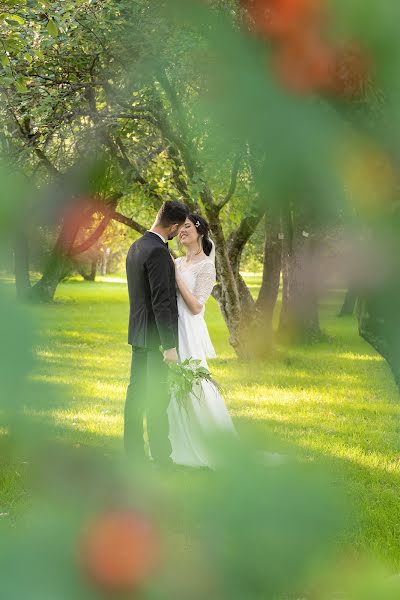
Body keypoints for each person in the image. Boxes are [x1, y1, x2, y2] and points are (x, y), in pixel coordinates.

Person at [168, 213, 237, 468]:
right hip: (171, 327)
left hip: (189, 327)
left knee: (193, 380)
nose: (182, 231)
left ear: (199, 231)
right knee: (171, 380)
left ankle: (206, 441)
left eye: (187, 227)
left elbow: (197, 306)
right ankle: (177, 441)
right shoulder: (178, 261)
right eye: (180, 227)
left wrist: (176, 278)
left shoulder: (206, 266)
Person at [125, 200, 189, 466]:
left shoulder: (136, 247)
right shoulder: (159, 252)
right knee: (156, 398)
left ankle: (134, 455)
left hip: (138, 334)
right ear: (173, 226)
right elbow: (162, 301)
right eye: (179, 228)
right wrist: (170, 345)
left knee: (136, 394)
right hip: (155, 340)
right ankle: (163, 459)